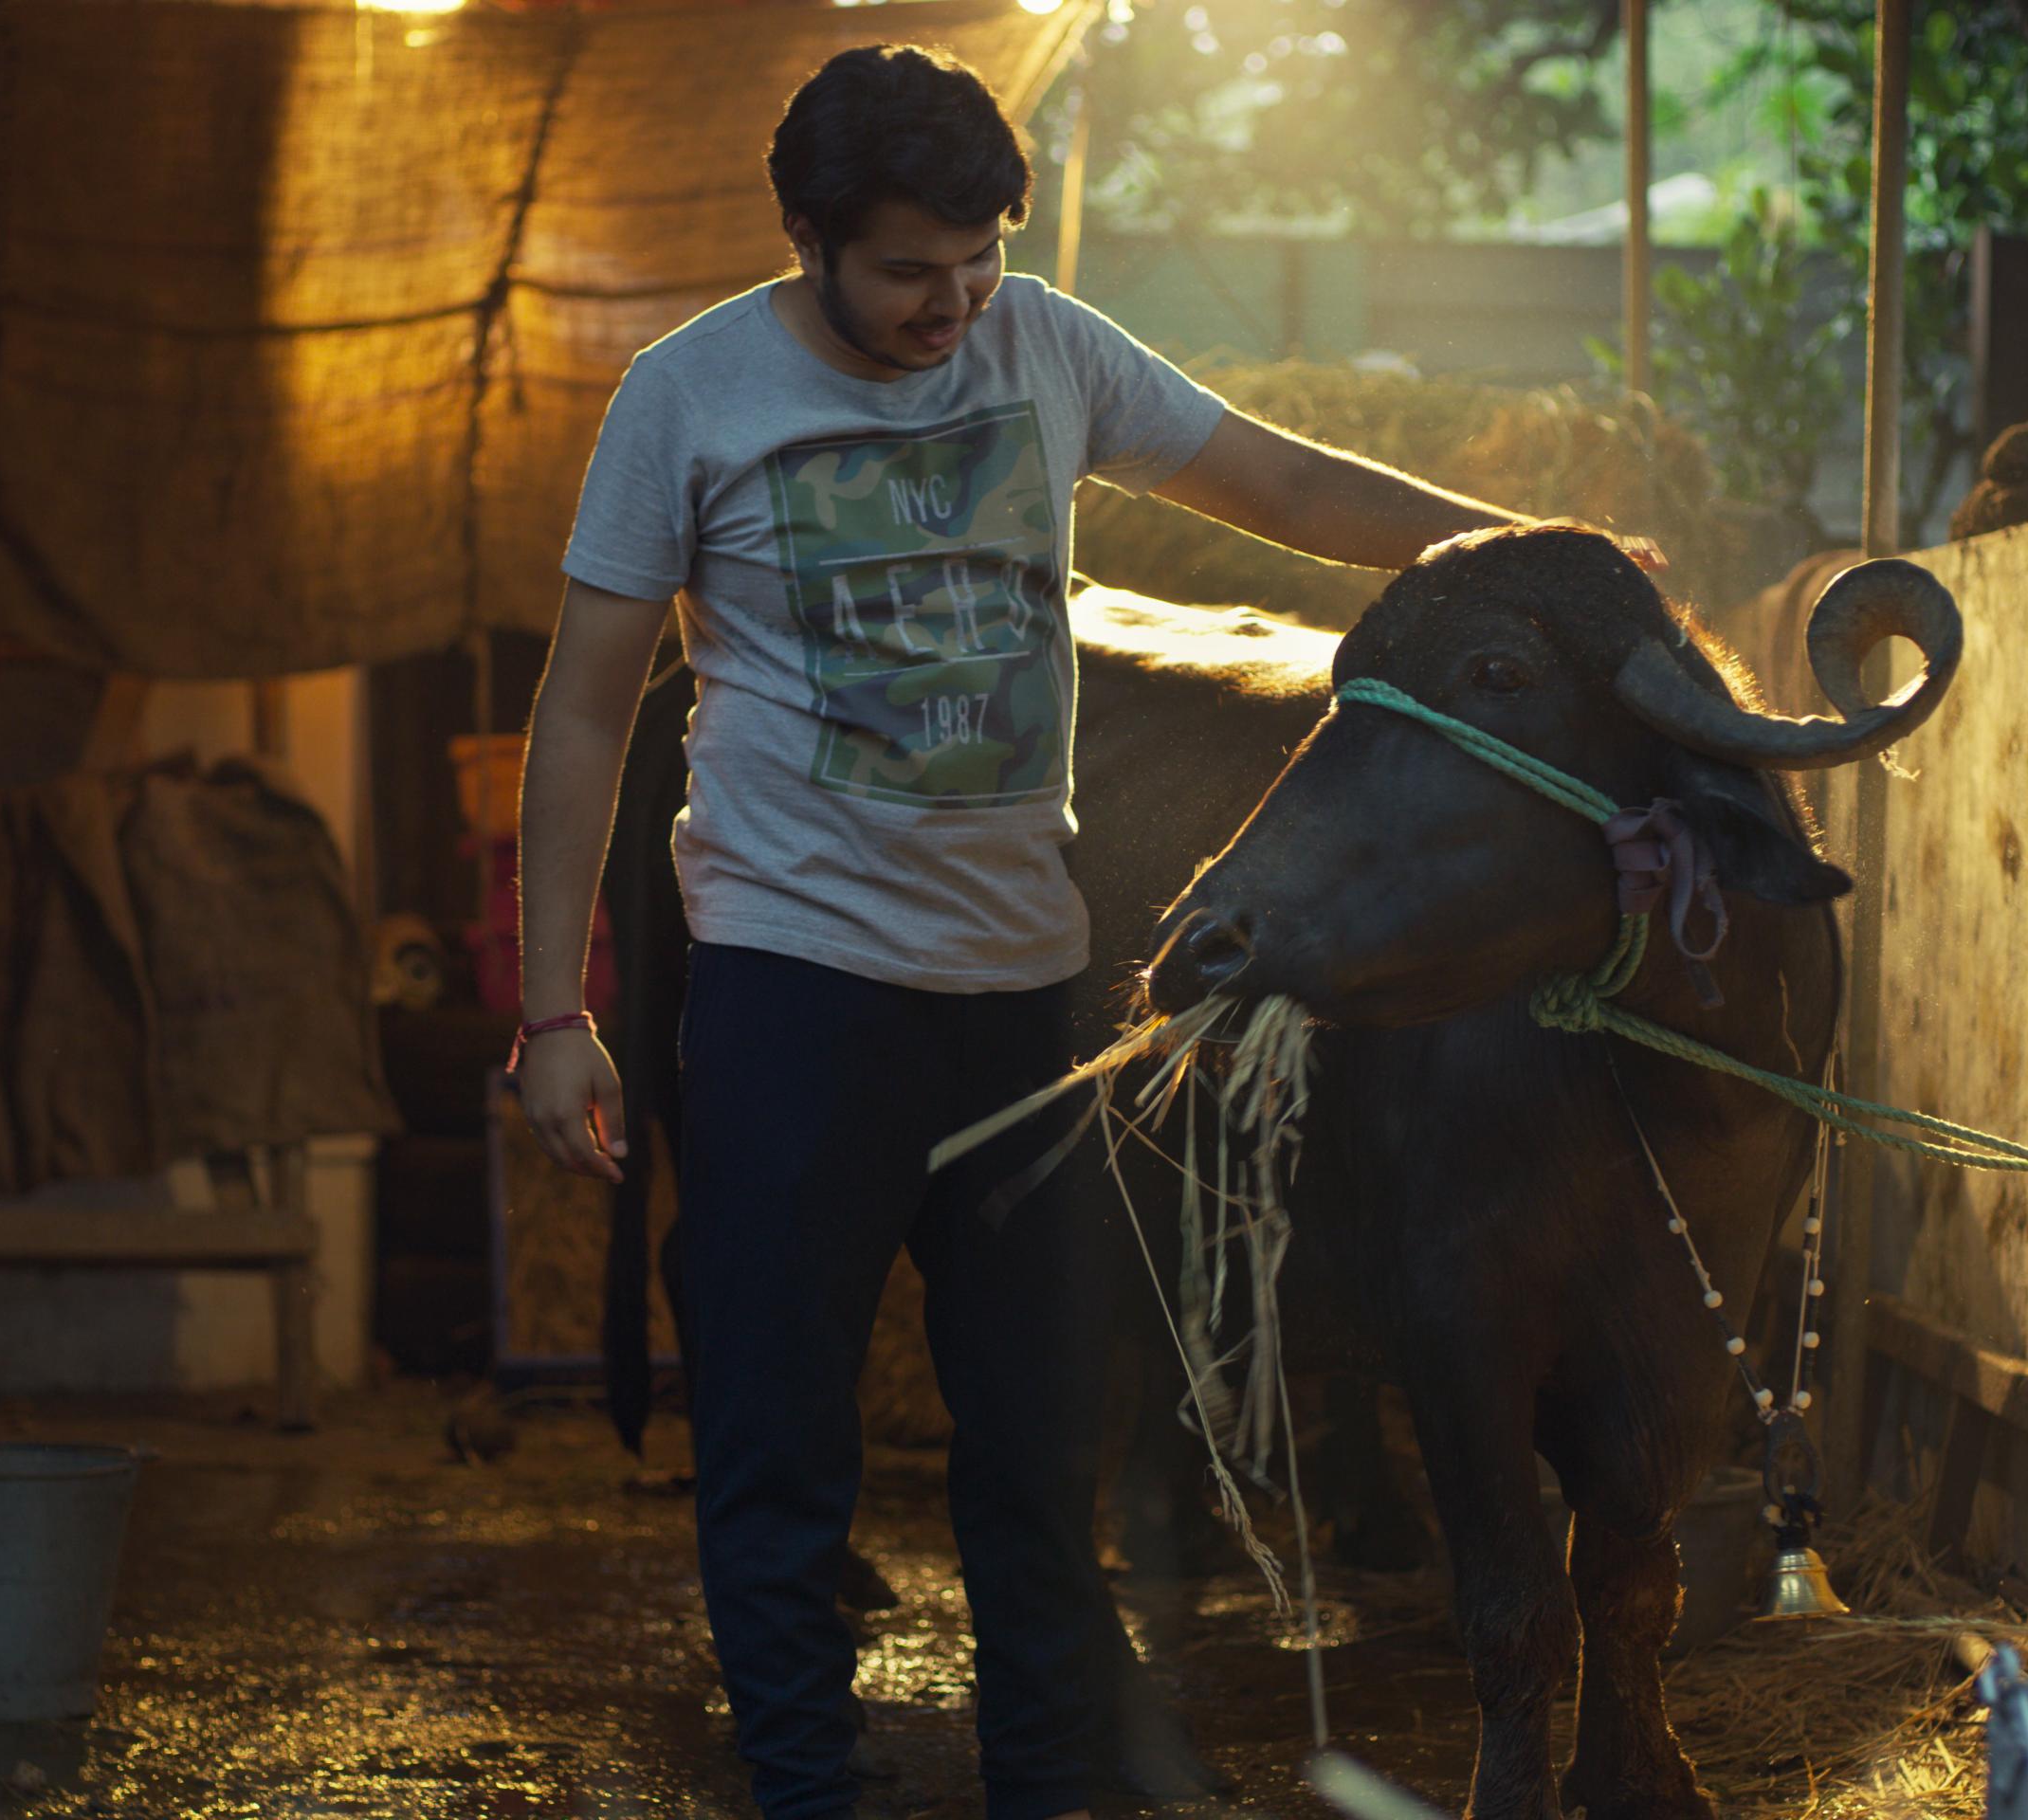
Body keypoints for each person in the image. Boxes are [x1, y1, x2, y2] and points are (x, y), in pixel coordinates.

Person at [512, 44, 1528, 1820]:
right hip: (787, 998)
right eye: (909, 267)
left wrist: (1530, 554)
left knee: (1040, 1459)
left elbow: (1284, 490)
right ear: (810, 238)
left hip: (1018, 999)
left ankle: (1044, 1791)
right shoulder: (691, 396)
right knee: (777, 1456)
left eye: (977, 258)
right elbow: (588, 708)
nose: (949, 303)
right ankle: (802, 1790)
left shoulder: (1044, 343)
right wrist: (550, 1016)